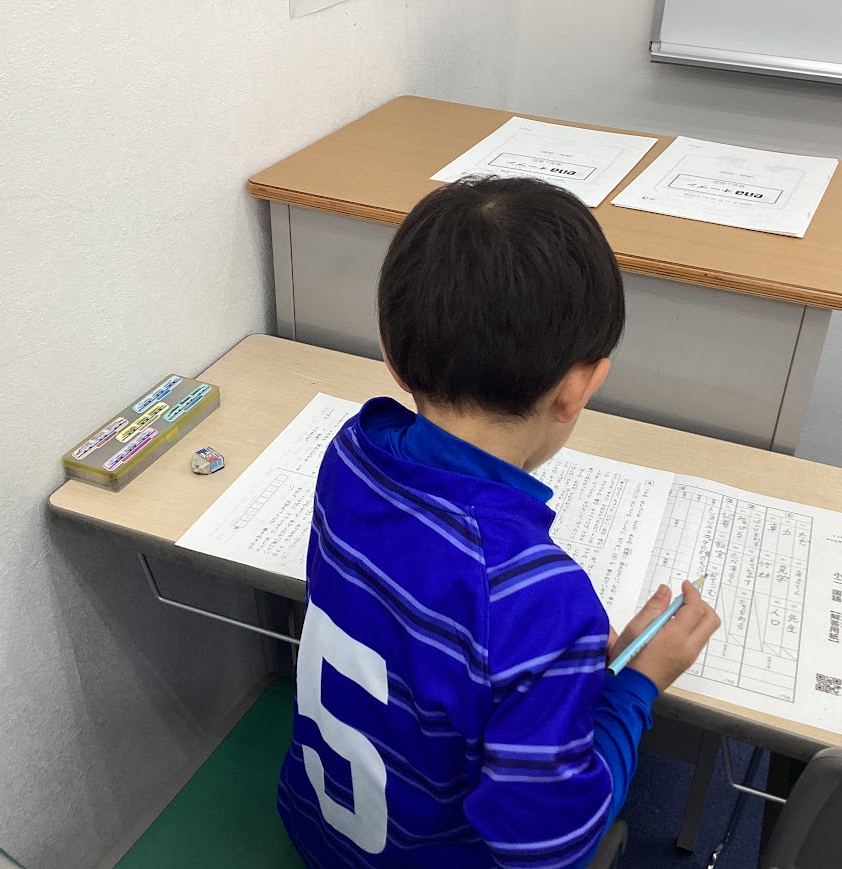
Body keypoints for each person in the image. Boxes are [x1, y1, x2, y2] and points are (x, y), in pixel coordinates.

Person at [277, 176, 721, 868]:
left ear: (391, 355)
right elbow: (551, 847)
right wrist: (635, 685)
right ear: (579, 387)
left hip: (316, 829)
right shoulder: (538, 601)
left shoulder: (351, 453)